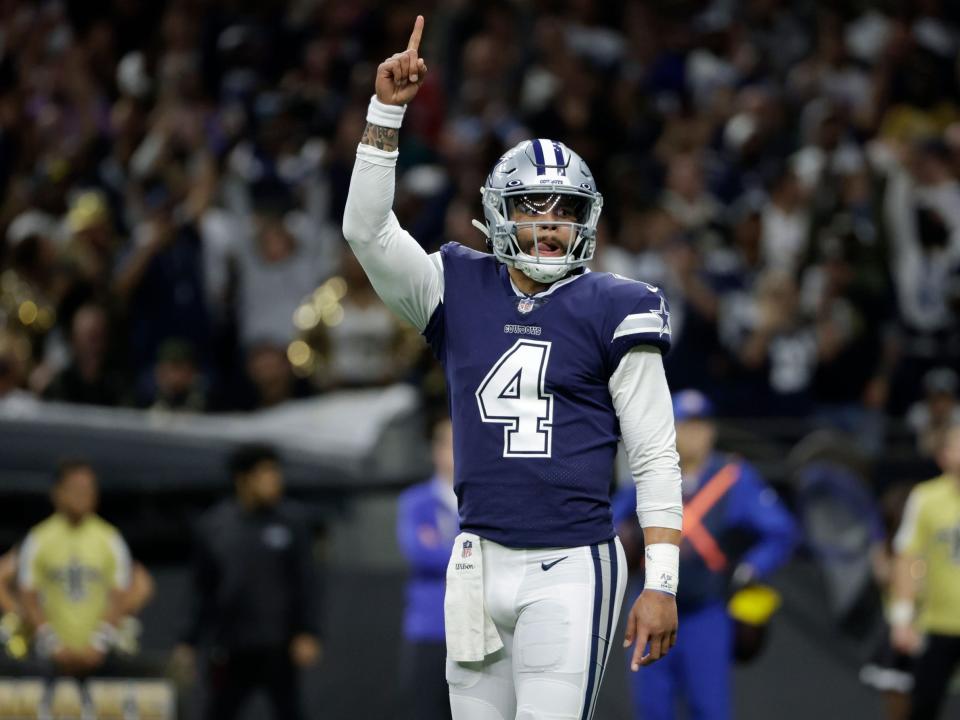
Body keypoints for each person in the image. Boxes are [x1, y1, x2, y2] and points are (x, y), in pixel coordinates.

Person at [342, 16, 683, 719]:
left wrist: (664, 581)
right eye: (534, 208)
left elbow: (653, 452)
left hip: (570, 562)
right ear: (500, 214)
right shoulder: (456, 284)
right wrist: (385, 115)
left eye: (567, 211)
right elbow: (365, 233)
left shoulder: (615, 304)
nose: (552, 225)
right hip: (475, 561)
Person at [613, 389, 798, 720]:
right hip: (651, 606)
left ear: (712, 431)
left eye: (701, 425)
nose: (694, 434)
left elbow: (781, 530)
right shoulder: (649, 473)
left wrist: (752, 567)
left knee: (709, 709)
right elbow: (610, 525)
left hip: (705, 611)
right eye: (685, 425)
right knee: (652, 709)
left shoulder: (733, 478)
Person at [173, 443, 322, 720]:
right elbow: (200, 590)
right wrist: (187, 640)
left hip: (278, 646)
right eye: (266, 474)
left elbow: (307, 581)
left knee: (290, 713)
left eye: (276, 473)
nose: (275, 481)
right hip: (230, 646)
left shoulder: (292, 522)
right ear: (243, 479)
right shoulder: (215, 526)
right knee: (218, 712)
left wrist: (308, 631)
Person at [17, 460, 136, 720]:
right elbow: (28, 595)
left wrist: (99, 642)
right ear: (57, 493)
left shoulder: (110, 538)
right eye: (75, 488)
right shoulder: (39, 538)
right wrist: (51, 641)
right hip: (49, 658)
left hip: (99, 657)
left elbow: (120, 594)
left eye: (89, 489)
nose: (83, 495)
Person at [890, 424, 960, 720]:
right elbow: (907, 557)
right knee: (924, 706)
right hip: (937, 622)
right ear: (944, 455)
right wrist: (903, 617)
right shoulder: (926, 497)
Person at [396, 418, 459, 720]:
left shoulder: (485, 502)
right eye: (448, 442)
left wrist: (446, 547)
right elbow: (420, 553)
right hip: (430, 630)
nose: (456, 450)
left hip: (480, 629)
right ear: (435, 449)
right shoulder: (415, 501)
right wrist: (472, 557)